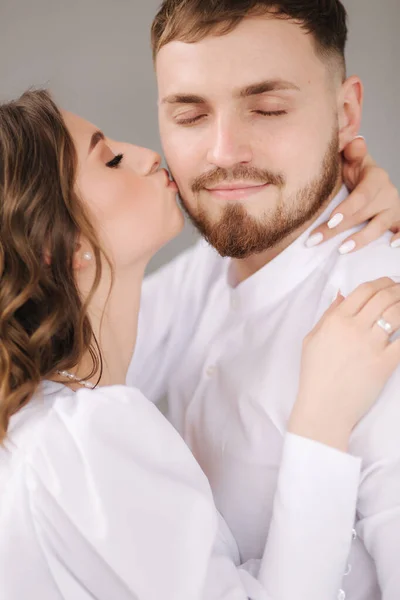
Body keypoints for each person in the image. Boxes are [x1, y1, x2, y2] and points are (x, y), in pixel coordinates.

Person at [0, 90, 399, 600]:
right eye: (111, 159)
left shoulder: (35, 420)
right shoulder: (85, 438)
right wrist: (321, 419)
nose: (147, 156)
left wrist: (334, 199)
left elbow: (224, 269)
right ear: (61, 245)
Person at [127, 1, 400, 598]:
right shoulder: (201, 270)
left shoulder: (385, 317)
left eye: (268, 109)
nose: (225, 153)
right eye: (191, 116)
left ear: (345, 111)